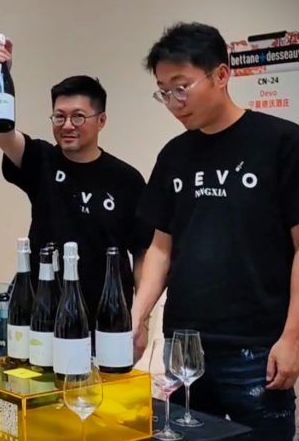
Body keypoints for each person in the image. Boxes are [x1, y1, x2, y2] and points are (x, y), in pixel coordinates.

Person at [132, 22, 298, 440]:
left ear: (221, 75)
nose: (174, 103)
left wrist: (293, 338)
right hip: (185, 346)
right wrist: (136, 317)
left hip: (257, 349)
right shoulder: (174, 154)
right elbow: (160, 249)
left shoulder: (281, 143)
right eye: (163, 92)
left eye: (181, 87)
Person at [0, 38, 152, 323]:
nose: (67, 126)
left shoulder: (127, 179)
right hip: (42, 314)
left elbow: (142, 252)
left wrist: (141, 318)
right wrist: (0, 75)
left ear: (101, 121)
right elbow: (3, 134)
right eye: (59, 117)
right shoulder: (41, 160)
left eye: (78, 117)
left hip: (106, 317)